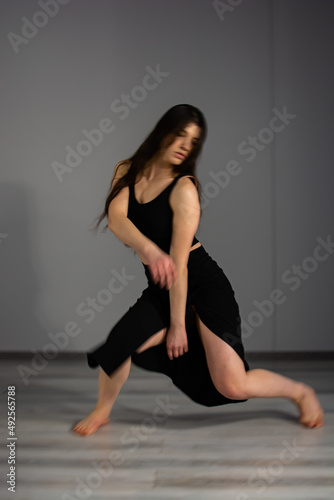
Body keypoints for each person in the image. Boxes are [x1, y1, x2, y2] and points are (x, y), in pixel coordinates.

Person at [73, 104, 324, 436]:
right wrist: (147, 248)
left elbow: (179, 265)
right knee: (119, 344)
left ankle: (300, 392)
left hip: (203, 288)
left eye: (193, 142)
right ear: (163, 131)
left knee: (232, 385)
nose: (185, 147)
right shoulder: (127, 170)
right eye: (181, 136)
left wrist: (178, 325)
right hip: (162, 287)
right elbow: (117, 218)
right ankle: (102, 411)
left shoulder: (184, 190)